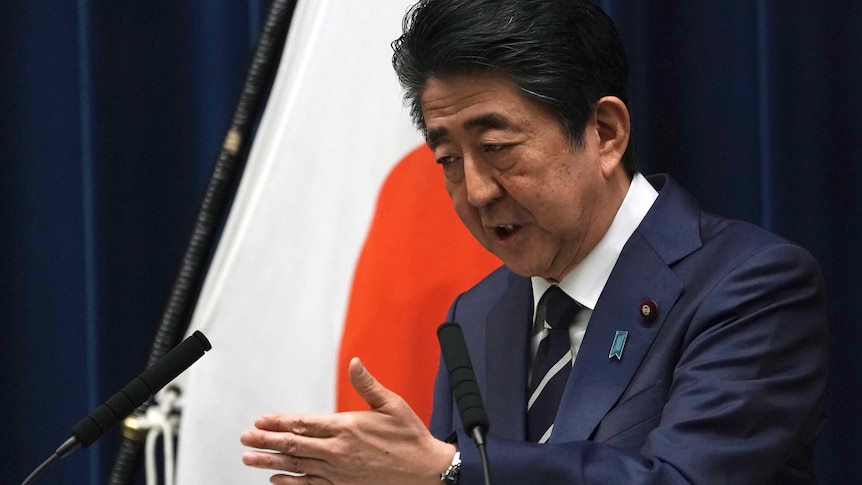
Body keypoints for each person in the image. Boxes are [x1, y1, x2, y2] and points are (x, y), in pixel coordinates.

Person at [240, 0, 829, 483]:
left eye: (497, 148)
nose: (474, 191)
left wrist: (447, 471)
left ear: (604, 133)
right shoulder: (478, 314)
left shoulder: (751, 286)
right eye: (447, 159)